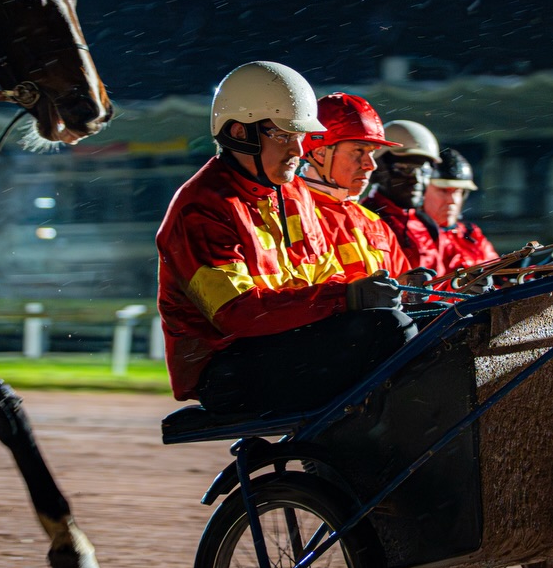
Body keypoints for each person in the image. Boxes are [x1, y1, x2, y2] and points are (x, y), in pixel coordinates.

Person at [155, 61, 415, 415]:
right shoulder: (200, 207)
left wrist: (391, 290)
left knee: (425, 322)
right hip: (226, 370)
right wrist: (348, 296)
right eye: (283, 135)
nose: (297, 150)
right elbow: (237, 314)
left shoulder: (293, 191)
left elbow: (326, 277)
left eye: (299, 137)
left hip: (279, 345)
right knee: (389, 328)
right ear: (238, 133)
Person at [300, 92, 413, 281]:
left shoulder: (374, 222)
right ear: (320, 153)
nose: (371, 165)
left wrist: (455, 287)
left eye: (371, 152)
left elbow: (404, 294)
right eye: (358, 150)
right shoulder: (288, 213)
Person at [362, 119, 444, 274]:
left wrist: (463, 284)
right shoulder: (362, 222)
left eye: (424, 171)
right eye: (405, 169)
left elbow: (440, 284)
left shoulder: (427, 225)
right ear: (378, 170)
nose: (417, 179)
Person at [424, 147, 501, 275]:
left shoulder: (471, 235)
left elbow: (497, 276)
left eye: (458, 191)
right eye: (444, 190)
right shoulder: (408, 234)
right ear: (422, 191)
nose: (452, 200)